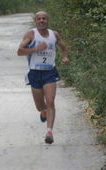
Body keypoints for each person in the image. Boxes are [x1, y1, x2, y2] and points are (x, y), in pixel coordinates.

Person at [17, 11, 69, 144]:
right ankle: (43, 111)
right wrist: (36, 49)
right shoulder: (31, 34)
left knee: (50, 101)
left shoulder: (54, 34)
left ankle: (49, 132)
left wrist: (64, 57)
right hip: (35, 73)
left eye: (44, 18)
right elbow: (20, 51)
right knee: (40, 106)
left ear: (48, 21)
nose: (41, 21)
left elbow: (64, 47)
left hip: (49, 72)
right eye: (39, 19)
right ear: (35, 21)